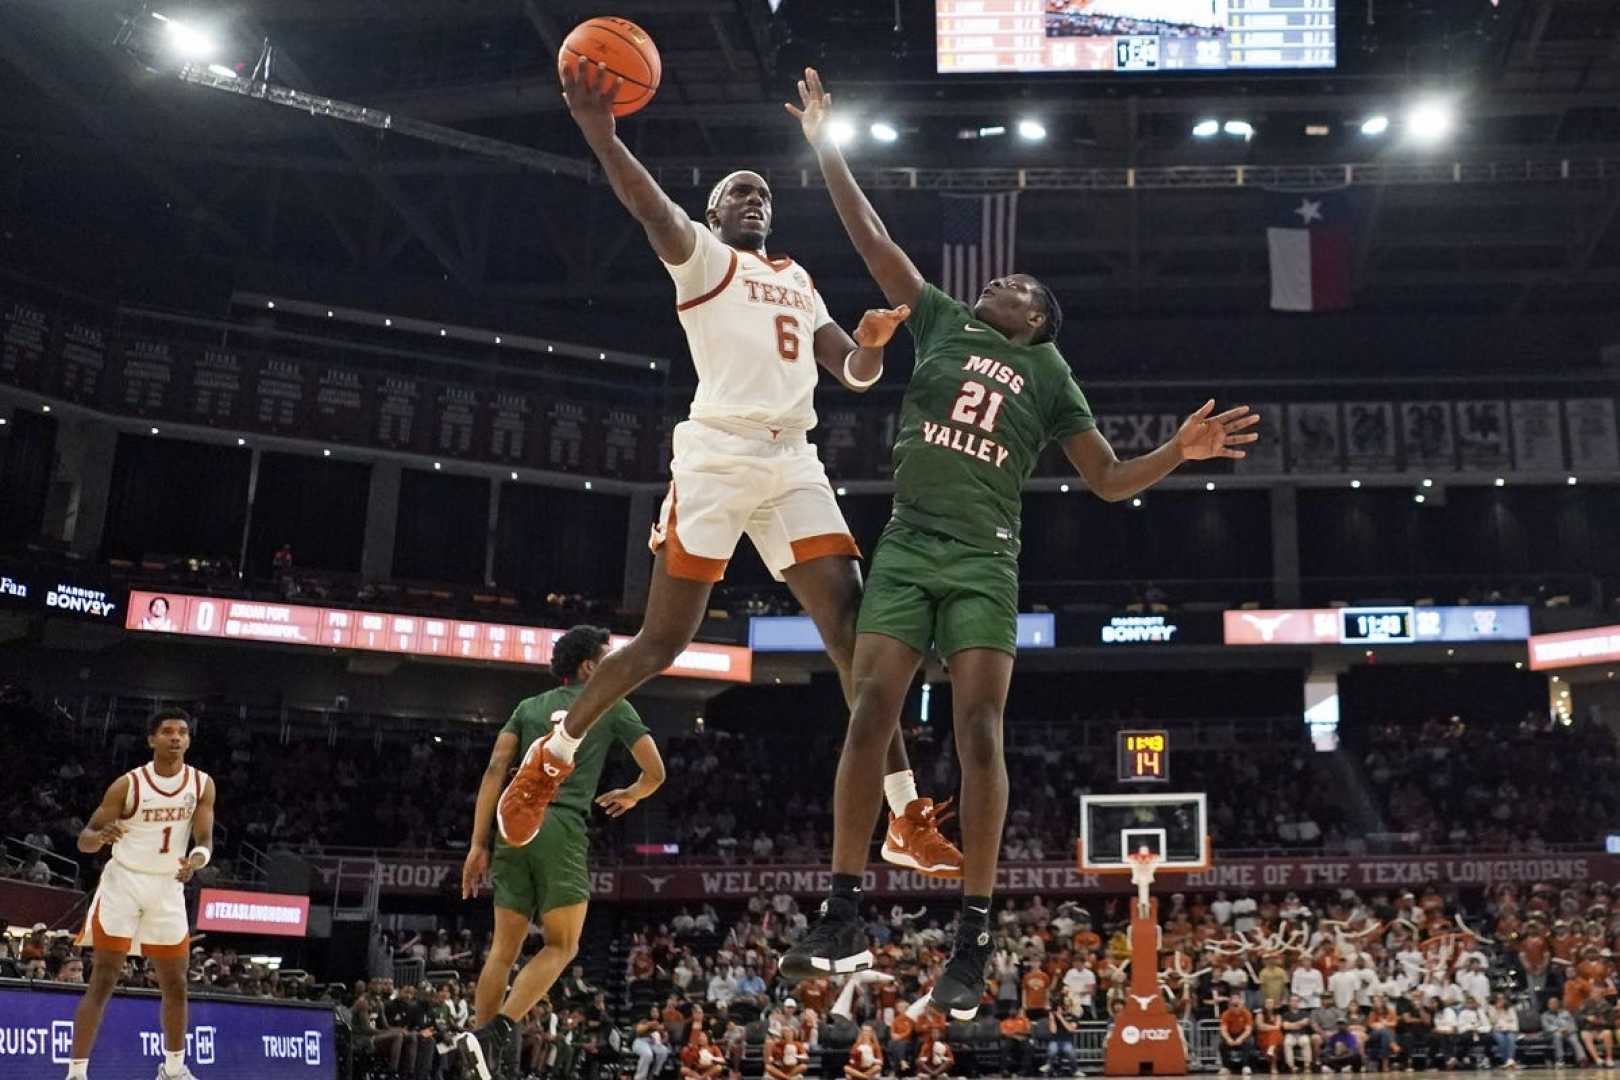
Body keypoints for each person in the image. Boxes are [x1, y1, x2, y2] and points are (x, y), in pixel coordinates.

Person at [777, 66, 1258, 1017]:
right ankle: (840, 908)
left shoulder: (1050, 374)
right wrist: (824, 140)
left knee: (979, 729)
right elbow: (872, 240)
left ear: (1036, 319)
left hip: (986, 558)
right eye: (997, 277)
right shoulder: (943, 321)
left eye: (1016, 285)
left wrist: (1179, 448)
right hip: (911, 543)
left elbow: (1108, 480)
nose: (996, 282)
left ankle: (975, 928)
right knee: (869, 708)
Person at [494, 51, 963, 886]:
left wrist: (874, 352)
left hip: (791, 462)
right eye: (741, 192)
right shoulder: (703, 259)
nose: (757, 200)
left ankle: (902, 814)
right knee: (663, 640)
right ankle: (555, 752)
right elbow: (649, 206)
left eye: (766, 194)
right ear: (715, 210)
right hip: (715, 455)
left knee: (859, 639)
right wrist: (602, 134)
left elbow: (848, 371)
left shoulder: (798, 278)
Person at [458, 626, 667, 1080]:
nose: (615, 665)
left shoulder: (527, 707)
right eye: (609, 659)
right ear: (590, 667)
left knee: (503, 951)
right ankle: (495, 1033)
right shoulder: (613, 704)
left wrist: (478, 844)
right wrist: (633, 793)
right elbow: (656, 771)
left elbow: (496, 769)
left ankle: (482, 1055)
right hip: (560, 825)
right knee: (563, 944)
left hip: (510, 827)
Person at [68, 707, 215, 1080]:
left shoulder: (201, 784)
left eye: (182, 732)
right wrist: (100, 837)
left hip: (167, 886)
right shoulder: (128, 784)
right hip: (125, 883)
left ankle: (174, 1069)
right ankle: (77, 1073)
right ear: (152, 739)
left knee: (177, 983)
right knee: (104, 978)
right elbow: (84, 839)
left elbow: (204, 841)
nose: (176, 737)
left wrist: (195, 861)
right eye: (167, 731)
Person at [1541, 996, 1583, 1067]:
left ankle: (1582, 1059)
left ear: (1558, 1004)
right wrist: (1559, 1030)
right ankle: (1560, 1060)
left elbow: (1572, 1024)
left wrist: (1568, 1030)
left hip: (1568, 1033)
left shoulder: (1566, 1013)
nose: (1553, 1005)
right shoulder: (1545, 1015)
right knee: (1557, 1035)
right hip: (1553, 1034)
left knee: (1574, 1039)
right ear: (1548, 1005)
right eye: (1551, 1003)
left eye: (1555, 1003)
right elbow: (1546, 1027)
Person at [1220, 996, 1255, 1076]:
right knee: (1222, 1044)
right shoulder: (1226, 1014)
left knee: (1249, 1042)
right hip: (1231, 1034)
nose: (1235, 1007)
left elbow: (1248, 1030)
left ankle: (1245, 1066)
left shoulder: (1246, 1013)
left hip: (1242, 1034)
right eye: (1233, 1005)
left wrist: (1240, 1039)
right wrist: (1228, 1039)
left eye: (1237, 1005)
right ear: (1229, 1005)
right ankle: (1226, 1067)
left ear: (1241, 1004)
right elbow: (1223, 1029)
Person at [1281, 995, 1315, 1073]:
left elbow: (1306, 1022)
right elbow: (1285, 1026)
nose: (1294, 1003)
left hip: (1302, 1034)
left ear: (1299, 1003)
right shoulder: (1286, 1014)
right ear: (1289, 1003)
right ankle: (1291, 1066)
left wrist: (1292, 1025)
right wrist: (1299, 1024)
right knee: (1287, 1043)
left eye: (1296, 1001)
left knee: (1306, 1042)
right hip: (1290, 1035)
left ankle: (1307, 1066)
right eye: (1292, 1001)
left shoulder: (1304, 1013)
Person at [1486, 992, 1519, 1069]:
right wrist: (1497, 1010)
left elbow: (1514, 1021)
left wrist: (1511, 1029)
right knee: (1502, 1040)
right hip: (1497, 1030)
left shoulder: (1510, 1008)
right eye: (1498, 999)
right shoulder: (1491, 1008)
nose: (1501, 1001)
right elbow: (1492, 1021)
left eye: (1502, 999)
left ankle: (1510, 1060)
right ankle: (1507, 1061)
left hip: (1510, 1029)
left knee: (1511, 1039)